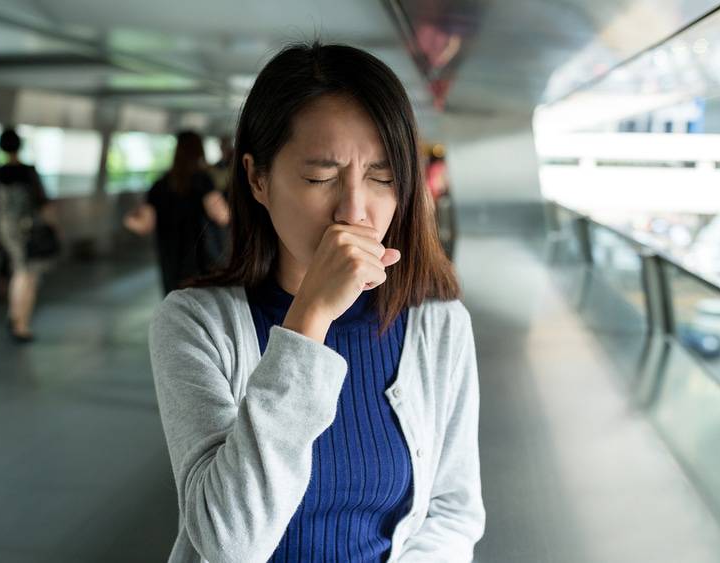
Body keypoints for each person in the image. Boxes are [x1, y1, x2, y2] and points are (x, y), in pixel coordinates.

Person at [149, 42, 485, 563]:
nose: (353, 211)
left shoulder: (438, 325)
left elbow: (452, 511)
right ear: (257, 179)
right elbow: (228, 542)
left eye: (382, 177)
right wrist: (310, 319)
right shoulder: (196, 324)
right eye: (320, 178)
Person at [124, 131, 230, 295]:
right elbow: (222, 216)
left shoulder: (159, 185)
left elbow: (144, 225)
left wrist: (128, 218)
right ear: (199, 151)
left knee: (177, 308)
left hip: (172, 263)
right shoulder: (203, 181)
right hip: (203, 263)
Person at [0, 128, 58, 342]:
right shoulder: (28, 172)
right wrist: (54, 227)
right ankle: (21, 323)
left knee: (18, 269)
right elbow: (43, 204)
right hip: (28, 229)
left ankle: (14, 314)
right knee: (28, 274)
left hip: (5, 229)